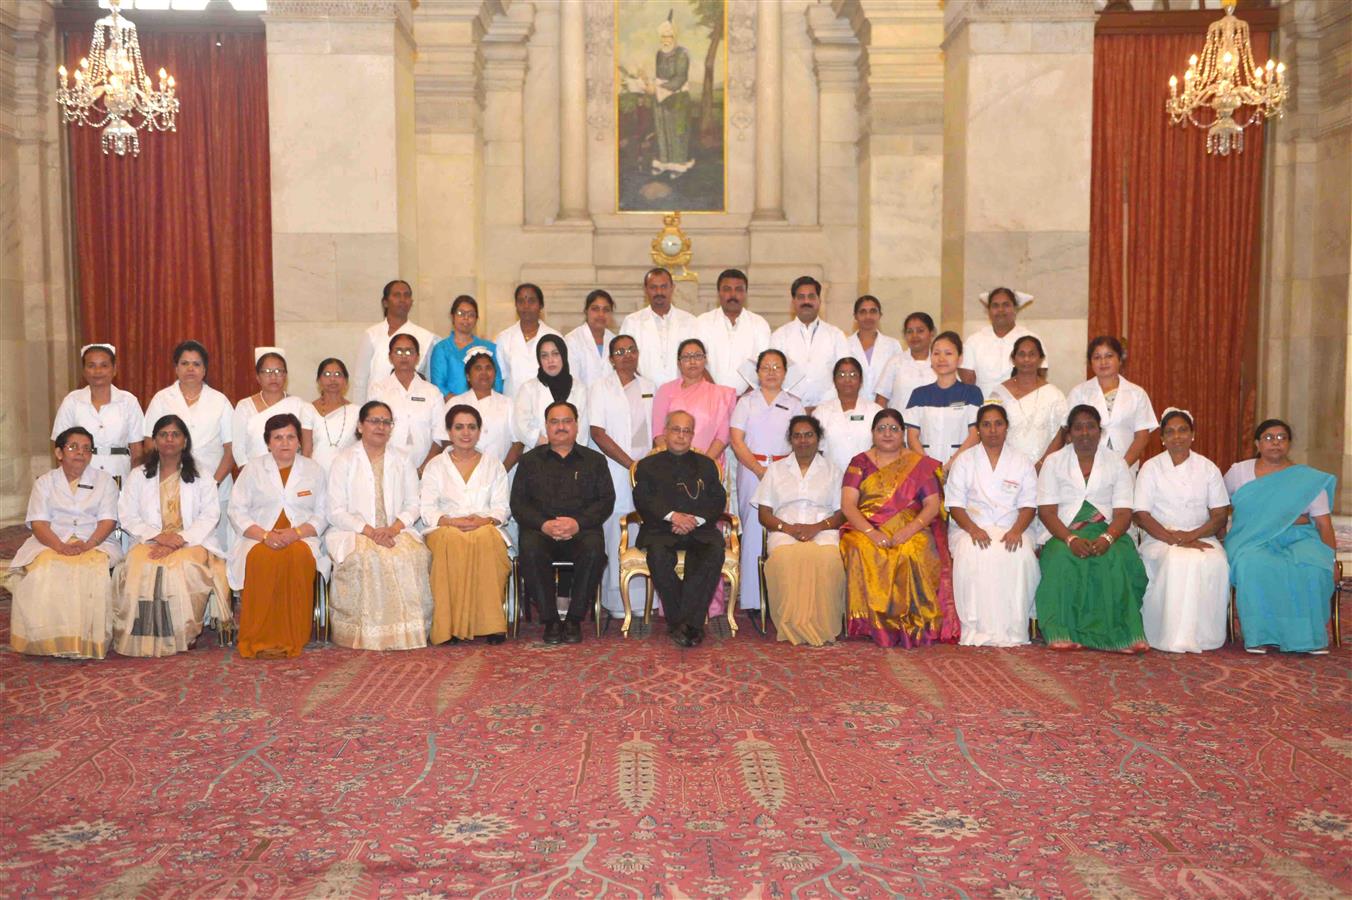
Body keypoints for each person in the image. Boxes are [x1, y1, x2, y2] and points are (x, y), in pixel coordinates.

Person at [112, 415, 230, 657]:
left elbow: (210, 515)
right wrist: (158, 536)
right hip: (150, 540)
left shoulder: (201, 475)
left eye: (175, 435)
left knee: (183, 567)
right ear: (154, 440)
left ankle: (181, 633)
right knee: (139, 567)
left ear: (184, 441)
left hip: (191, 541)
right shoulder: (138, 475)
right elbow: (127, 514)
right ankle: (143, 634)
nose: (169, 440)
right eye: (163, 434)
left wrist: (180, 539)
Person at [1034, 405, 1148, 653]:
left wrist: (1107, 537)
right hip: (1063, 532)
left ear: (1100, 431)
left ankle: (1122, 635)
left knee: (1115, 557)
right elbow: (1047, 512)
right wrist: (1070, 538)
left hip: (1109, 531)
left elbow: (1123, 513)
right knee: (1062, 559)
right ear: (1069, 433)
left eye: (1090, 426)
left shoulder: (1116, 463)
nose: (1084, 432)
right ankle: (1060, 632)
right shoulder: (1054, 462)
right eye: (1078, 427)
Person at [839, 409, 955, 648]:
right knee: (861, 547)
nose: (887, 434)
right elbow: (848, 505)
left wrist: (907, 531)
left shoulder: (918, 465)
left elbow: (932, 506)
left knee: (913, 549)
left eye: (893, 428)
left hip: (911, 527)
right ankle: (873, 624)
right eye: (881, 428)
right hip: (867, 527)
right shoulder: (859, 462)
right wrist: (872, 533)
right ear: (872, 433)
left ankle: (912, 623)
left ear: (903, 433)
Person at [325, 401, 433, 651]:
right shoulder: (344, 459)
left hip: (395, 529)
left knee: (412, 555)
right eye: (374, 421)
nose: (380, 427)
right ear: (361, 426)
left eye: (386, 422)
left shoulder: (402, 459)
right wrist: (370, 531)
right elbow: (335, 510)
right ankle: (368, 635)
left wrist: (394, 527)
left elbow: (413, 503)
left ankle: (406, 634)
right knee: (370, 557)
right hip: (356, 531)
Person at [1223, 419, 1337, 655]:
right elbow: (1218, 507)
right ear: (1257, 443)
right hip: (1251, 538)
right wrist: (1221, 539)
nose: (1275, 442)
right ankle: (1260, 635)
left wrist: (1331, 558)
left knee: (1313, 566)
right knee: (1252, 565)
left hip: (1300, 537)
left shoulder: (1307, 479)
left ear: (1289, 444)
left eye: (1281, 437)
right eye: (1268, 437)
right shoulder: (1239, 471)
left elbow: (1324, 525)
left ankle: (1308, 638)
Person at [8, 427, 121, 658]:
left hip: (95, 541)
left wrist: (88, 544)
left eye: (86, 449)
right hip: (51, 541)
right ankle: (49, 639)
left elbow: (108, 520)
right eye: (73, 447)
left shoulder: (105, 481)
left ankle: (87, 640)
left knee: (89, 567)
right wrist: (59, 547)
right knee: (46, 567)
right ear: (59, 453)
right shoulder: (45, 483)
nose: (81, 453)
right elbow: (39, 523)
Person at [510, 401, 615, 644]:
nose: (561, 427)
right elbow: (518, 504)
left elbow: (605, 501)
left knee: (594, 551)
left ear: (577, 426)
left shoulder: (594, 461)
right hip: (541, 530)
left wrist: (577, 523)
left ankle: (574, 620)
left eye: (567, 421)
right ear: (546, 427)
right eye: (554, 422)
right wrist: (544, 524)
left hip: (581, 530)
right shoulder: (529, 461)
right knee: (531, 550)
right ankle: (550, 621)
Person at [227, 413, 329, 659]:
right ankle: (258, 637)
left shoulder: (314, 470)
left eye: (291, 437)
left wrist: (295, 533)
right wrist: (264, 535)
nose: (285, 443)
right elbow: (236, 511)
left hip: (301, 538)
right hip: (258, 538)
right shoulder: (253, 469)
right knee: (263, 558)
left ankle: (293, 636)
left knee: (297, 557)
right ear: (268, 442)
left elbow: (323, 513)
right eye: (278, 437)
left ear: (299, 441)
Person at [1132, 408, 1231, 653]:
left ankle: (1206, 637)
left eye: (1183, 430)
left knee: (1216, 561)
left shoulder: (1208, 468)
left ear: (1192, 434)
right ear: (1162, 438)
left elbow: (1220, 514)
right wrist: (1174, 538)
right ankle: (1168, 636)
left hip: (1201, 536)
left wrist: (1191, 536)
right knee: (1177, 559)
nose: (1177, 437)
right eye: (1170, 432)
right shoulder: (1151, 468)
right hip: (1160, 538)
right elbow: (1141, 515)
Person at [946, 403, 1039, 647]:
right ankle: (976, 629)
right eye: (986, 425)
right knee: (974, 552)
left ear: (1007, 427)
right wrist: (973, 529)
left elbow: (1029, 505)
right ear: (978, 429)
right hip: (972, 527)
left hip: (1014, 526)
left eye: (998, 423)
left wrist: (1017, 530)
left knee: (1020, 555)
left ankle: (1014, 629)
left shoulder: (1022, 462)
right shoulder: (965, 460)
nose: (993, 430)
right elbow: (955, 504)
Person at [633, 411, 729, 647]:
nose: (681, 436)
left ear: (692, 435)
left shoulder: (707, 465)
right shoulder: (647, 465)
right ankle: (689, 624)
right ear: (665, 431)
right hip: (660, 528)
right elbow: (644, 499)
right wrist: (673, 516)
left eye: (687, 431)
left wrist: (694, 520)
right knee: (658, 555)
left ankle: (683, 624)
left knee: (713, 551)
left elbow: (718, 500)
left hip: (699, 528)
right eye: (676, 429)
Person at [421, 404, 513, 644]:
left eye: (472, 427)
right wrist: (450, 521)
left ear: (479, 431)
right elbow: (427, 509)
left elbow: (502, 506)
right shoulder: (435, 466)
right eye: (459, 427)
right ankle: (448, 628)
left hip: (484, 526)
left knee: (485, 538)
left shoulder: (494, 465)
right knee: (451, 540)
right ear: (449, 432)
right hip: (446, 528)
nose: (466, 433)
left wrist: (486, 520)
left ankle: (491, 625)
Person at [751, 415, 846, 646]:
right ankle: (792, 625)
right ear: (790, 440)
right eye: (797, 436)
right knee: (784, 559)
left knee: (829, 560)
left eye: (808, 435)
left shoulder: (833, 470)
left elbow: (842, 512)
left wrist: (817, 527)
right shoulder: (775, 470)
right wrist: (788, 528)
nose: (803, 440)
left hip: (823, 529)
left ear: (818, 438)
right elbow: (764, 514)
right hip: (784, 530)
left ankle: (823, 626)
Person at [729, 349, 804, 616]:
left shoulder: (794, 403)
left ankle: (782, 596)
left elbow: (802, 440)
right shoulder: (746, 402)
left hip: (786, 471)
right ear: (757, 372)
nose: (771, 372)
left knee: (784, 527)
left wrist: (780, 471)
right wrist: (759, 469)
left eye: (777, 367)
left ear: (785, 372)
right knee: (752, 530)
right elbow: (736, 440)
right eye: (765, 367)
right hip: (752, 470)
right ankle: (751, 598)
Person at [588, 335, 656, 618]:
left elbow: (657, 432)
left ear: (638, 353)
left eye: (631, 349)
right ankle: (616, 603)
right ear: (611, 357)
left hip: (647, 471)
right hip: (614, 470)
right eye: (619, 351)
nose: (626, 355)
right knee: (615, 531)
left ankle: (645, 601)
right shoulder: (600, 388)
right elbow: (597, 432)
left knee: (645, 530)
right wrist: (631, 464)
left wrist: (647, 465)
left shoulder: (651, 387)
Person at [142, 341, 234, 547]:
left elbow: (230, 449)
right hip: (170, 488)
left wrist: (213, 484)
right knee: (171, 548)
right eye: (184, 363)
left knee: (213, 549)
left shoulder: (220, 401)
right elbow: (149, 442)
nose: (190, 369)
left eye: (196, 364)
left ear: (205, 370)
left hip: (215, 485)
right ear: (176, 368)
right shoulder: (162, 399)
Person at [51, 343, 144, 484]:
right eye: (91, 365)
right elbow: (58, 445)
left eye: (104, 365)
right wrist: (68, 483)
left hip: (120, 476)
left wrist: (135, 485)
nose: (98, 371)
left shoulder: (128, 402)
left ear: (114, 370)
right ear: (84, 371)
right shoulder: (72, 401)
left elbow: (137, 450)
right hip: (81, 475)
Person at [1065, 336, 1157, 469]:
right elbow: (1069, 433)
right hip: (1086, 466)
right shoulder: (1079, 393)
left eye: (1109, 356)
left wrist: (1122, 467)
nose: (1103, 362)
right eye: (1097, 357)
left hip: (1126, 465)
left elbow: (1142, 437)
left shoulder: (1137, 393)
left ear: (1119, 359)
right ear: (1090, 362)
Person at [769, 276, 850, 411]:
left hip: (828, 410)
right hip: (788, 410)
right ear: (793, 302)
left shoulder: (836, 335)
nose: (806, 301)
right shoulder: (779, 336)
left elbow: (845, 375)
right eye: (801, 297)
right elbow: (771, 377)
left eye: (811, 296)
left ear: (819, 301)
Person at [650, 338, 736, 465]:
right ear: (679, 363)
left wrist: (703, 465)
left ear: (705, 360)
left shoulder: (720, 394)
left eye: (697, 356)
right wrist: (673, 463)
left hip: (707, 466)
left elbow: (722, 436)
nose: (692, 361)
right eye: (686, 357)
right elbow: (658, 432)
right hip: (670, 465)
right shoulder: (665, 390)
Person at [352, 279, 439, 403]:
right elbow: (360, 380)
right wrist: (359, 414)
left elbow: (429, 380)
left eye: (407, 295)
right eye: (397, 295)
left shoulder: (427, 337)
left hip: (413, 408)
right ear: (385, 302)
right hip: (376, 408)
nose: (402, 299)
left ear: (411, 302)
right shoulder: (371, 334)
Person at [905, 331, 983, 468]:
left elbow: (975, 435)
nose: (941, 358)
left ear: (960, 359)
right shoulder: (919, 395)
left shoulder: (972, 393)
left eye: (948, 353)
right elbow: (912, 437)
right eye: (936, 353)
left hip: (963, 467)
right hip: (925, 470)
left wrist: (951, 465)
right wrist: (929, 467)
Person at [369, 333, 444, 473]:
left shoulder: (432, 392)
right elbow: (373, 432)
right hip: (388, 469)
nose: (404, 356)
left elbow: (440, 435)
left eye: (409, 351)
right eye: (398, 351)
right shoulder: (378, 390)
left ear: (417, 357)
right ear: (390, 356)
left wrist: (424, 469)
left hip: (426, 470)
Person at [990, 335, 1067, 469]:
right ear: (1013, 359)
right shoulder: (998, 394)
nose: (1026, 359)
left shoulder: (1054, 395)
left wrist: (1042, 465)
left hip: (1045, 469)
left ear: (1040, 359)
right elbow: (989, 430)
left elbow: (1062, 432)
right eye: (1021, 354)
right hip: (1005, 467)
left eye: (1032, 354)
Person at [231, 348, 313, 467]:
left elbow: (306, 445)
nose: (273, 377)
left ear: (285, 375)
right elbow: (238, 448)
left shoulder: (299, 405)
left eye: (278, 371)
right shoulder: (244, 406)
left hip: (291, 474)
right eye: (267, 371)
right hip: (255, 475)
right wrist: (250, 475)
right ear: (258, 377)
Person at [620, 267, 700, 386]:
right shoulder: (632, 322)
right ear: (645, 290)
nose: (659, 292)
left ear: (672, 288)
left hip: (682, 394)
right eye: (653, 287)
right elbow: (624, 361)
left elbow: (699, 361)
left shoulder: (690, 321)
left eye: (664, 286)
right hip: (644, 394)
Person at [695, 268, 772, 393]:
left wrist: (744, 400)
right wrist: (717, 395)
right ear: (718, 293)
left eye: (739, 290)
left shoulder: (759, 324)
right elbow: (697, 363)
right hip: (709, 397)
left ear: (745, 293)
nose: (733, 295)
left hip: (749, 400)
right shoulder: (702, 322)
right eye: (727, 289)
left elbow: (765, 365)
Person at [446, 349, 522, 472]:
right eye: (478, 368)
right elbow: (447, 442)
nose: (484, 373)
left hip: (501, 474)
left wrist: (501, 471)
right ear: (468, 376)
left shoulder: (508, 404)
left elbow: (517, 444)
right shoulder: (455, 403)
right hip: (462, 474)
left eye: (488, 368)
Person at [959, 287, 1041, 399]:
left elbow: (1040, 377)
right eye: (995, 306)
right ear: (989, 311)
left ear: (1015, 309)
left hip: (1022, 406)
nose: (1000, 310)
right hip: (983, 408)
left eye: (1006, 305)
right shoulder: (974, 341)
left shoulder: (1031, 339)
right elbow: (967, 382)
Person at [514, 334, 591, 448]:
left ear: (564, 356)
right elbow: (521, 427)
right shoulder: (528, 389)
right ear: (539, 360)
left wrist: (567, 450)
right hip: (538, 456)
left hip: (573, 459)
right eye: (544, 356)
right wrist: (549, 447)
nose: (550, 360)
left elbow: (583, 430)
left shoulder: (580, 389)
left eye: (555, 354)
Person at [814, 357, 883, 474]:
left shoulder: (875, 411)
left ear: (861, 381)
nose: (847, 380)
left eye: (853, 374)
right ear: (834, 380)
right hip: (831, 480)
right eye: (841, 375)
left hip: (868, 480)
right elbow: (816, 451)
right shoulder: (821, 412)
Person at [494, 283, 561, 398]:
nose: (526, 306)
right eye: (521, 301)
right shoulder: (503, 338)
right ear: (515, 305)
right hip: (513, 404)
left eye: (532, 301)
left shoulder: (555, 337)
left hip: (547, 405)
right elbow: (499, 380)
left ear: (541, 305)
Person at [428, 295, 502, 398]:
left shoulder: (489, 348)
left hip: (486, 407)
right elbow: (438, 386)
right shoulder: (442, 349)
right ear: (452, 317)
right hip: (452, 409)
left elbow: (497, 383)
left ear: (476, 319)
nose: (466, 318)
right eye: (460, 313)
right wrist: (460, 405)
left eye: (471, 314)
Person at [649, 12, 693, 175]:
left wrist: (660, 88)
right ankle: (664, 162)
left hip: (678, 98)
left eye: (668, 36)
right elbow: (659, 75)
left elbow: (680, 78)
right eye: (662, 37)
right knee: (662, 130)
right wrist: (650, 84)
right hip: (660, 97)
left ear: (674, 36)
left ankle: (678, 165)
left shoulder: (682, 53)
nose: (665, 40)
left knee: (678, 132)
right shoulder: (659, 53)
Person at [874, 312, 937, 412]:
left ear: (932, 333)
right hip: (902, 425)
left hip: (934, 426)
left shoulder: (940, 363)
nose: (914, 336)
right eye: (909, 331)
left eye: (920, 331)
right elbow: (881, 400)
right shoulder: (895, 363)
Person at [845, 295, 902, 402]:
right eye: (862, 312)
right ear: (855, 316)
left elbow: (898, 380)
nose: (868, 316)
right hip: (853, 406)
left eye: (873, 311)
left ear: (880, 315)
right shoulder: (844, 344)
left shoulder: (893, 345)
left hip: (886, 408)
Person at [308, 358, 359, 472]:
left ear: (346, 381)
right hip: (316, 474)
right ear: (319, 381)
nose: (332, 379)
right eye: (326, 374)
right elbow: (306, 451)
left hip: (348, 473)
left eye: (338, 374)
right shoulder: (308, 409)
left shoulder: (357, 412)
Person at [564, 289, 618, 388]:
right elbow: (572, 381)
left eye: (606, 310)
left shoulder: (615, 341)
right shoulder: (572, 340)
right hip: (582, 401)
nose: (601, 314)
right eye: (595, 309)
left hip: (612, 401)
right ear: (586, 311)